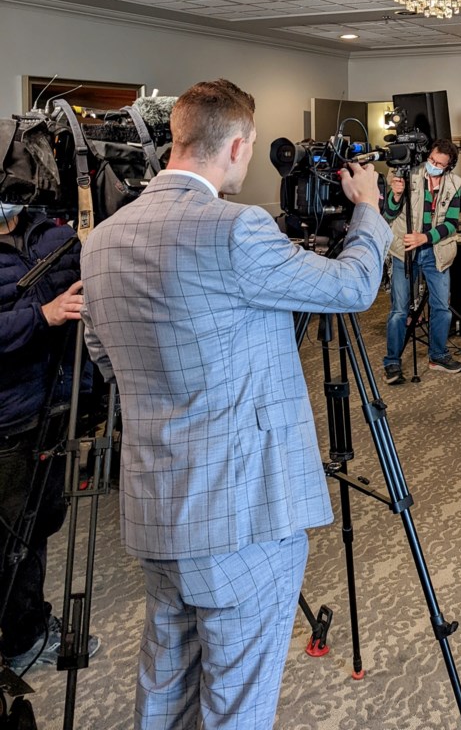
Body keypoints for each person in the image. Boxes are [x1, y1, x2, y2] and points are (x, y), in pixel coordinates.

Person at [80, 79, 391, 730]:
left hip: (157, 512)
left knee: (164, 689)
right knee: (236, 707)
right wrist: (367, 210)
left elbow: (106, 360)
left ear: (179, 138)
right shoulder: (238, 229)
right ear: (240, 146)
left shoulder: (103, 240)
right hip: (243, 516)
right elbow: (356, 285)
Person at [0, 201, 100, 673]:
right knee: (11, 537)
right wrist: (42, 316)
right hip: (9, 419)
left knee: (41, 522)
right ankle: (19, 638)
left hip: (55, 407)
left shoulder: (48, 233)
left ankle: (29, 628)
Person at [382, 139, 461, 383]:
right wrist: (395, 195)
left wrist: (425, 238)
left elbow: (451, 224)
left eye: (439, 164)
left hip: (436, 252)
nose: (433, 166)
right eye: (431, 160)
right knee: (399, 310)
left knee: (441, 307)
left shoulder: (454, 185)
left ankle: (438, 355)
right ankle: (392, 362)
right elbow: (387, 213)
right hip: (404, 251)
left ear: (448, 167)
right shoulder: (408, 175)